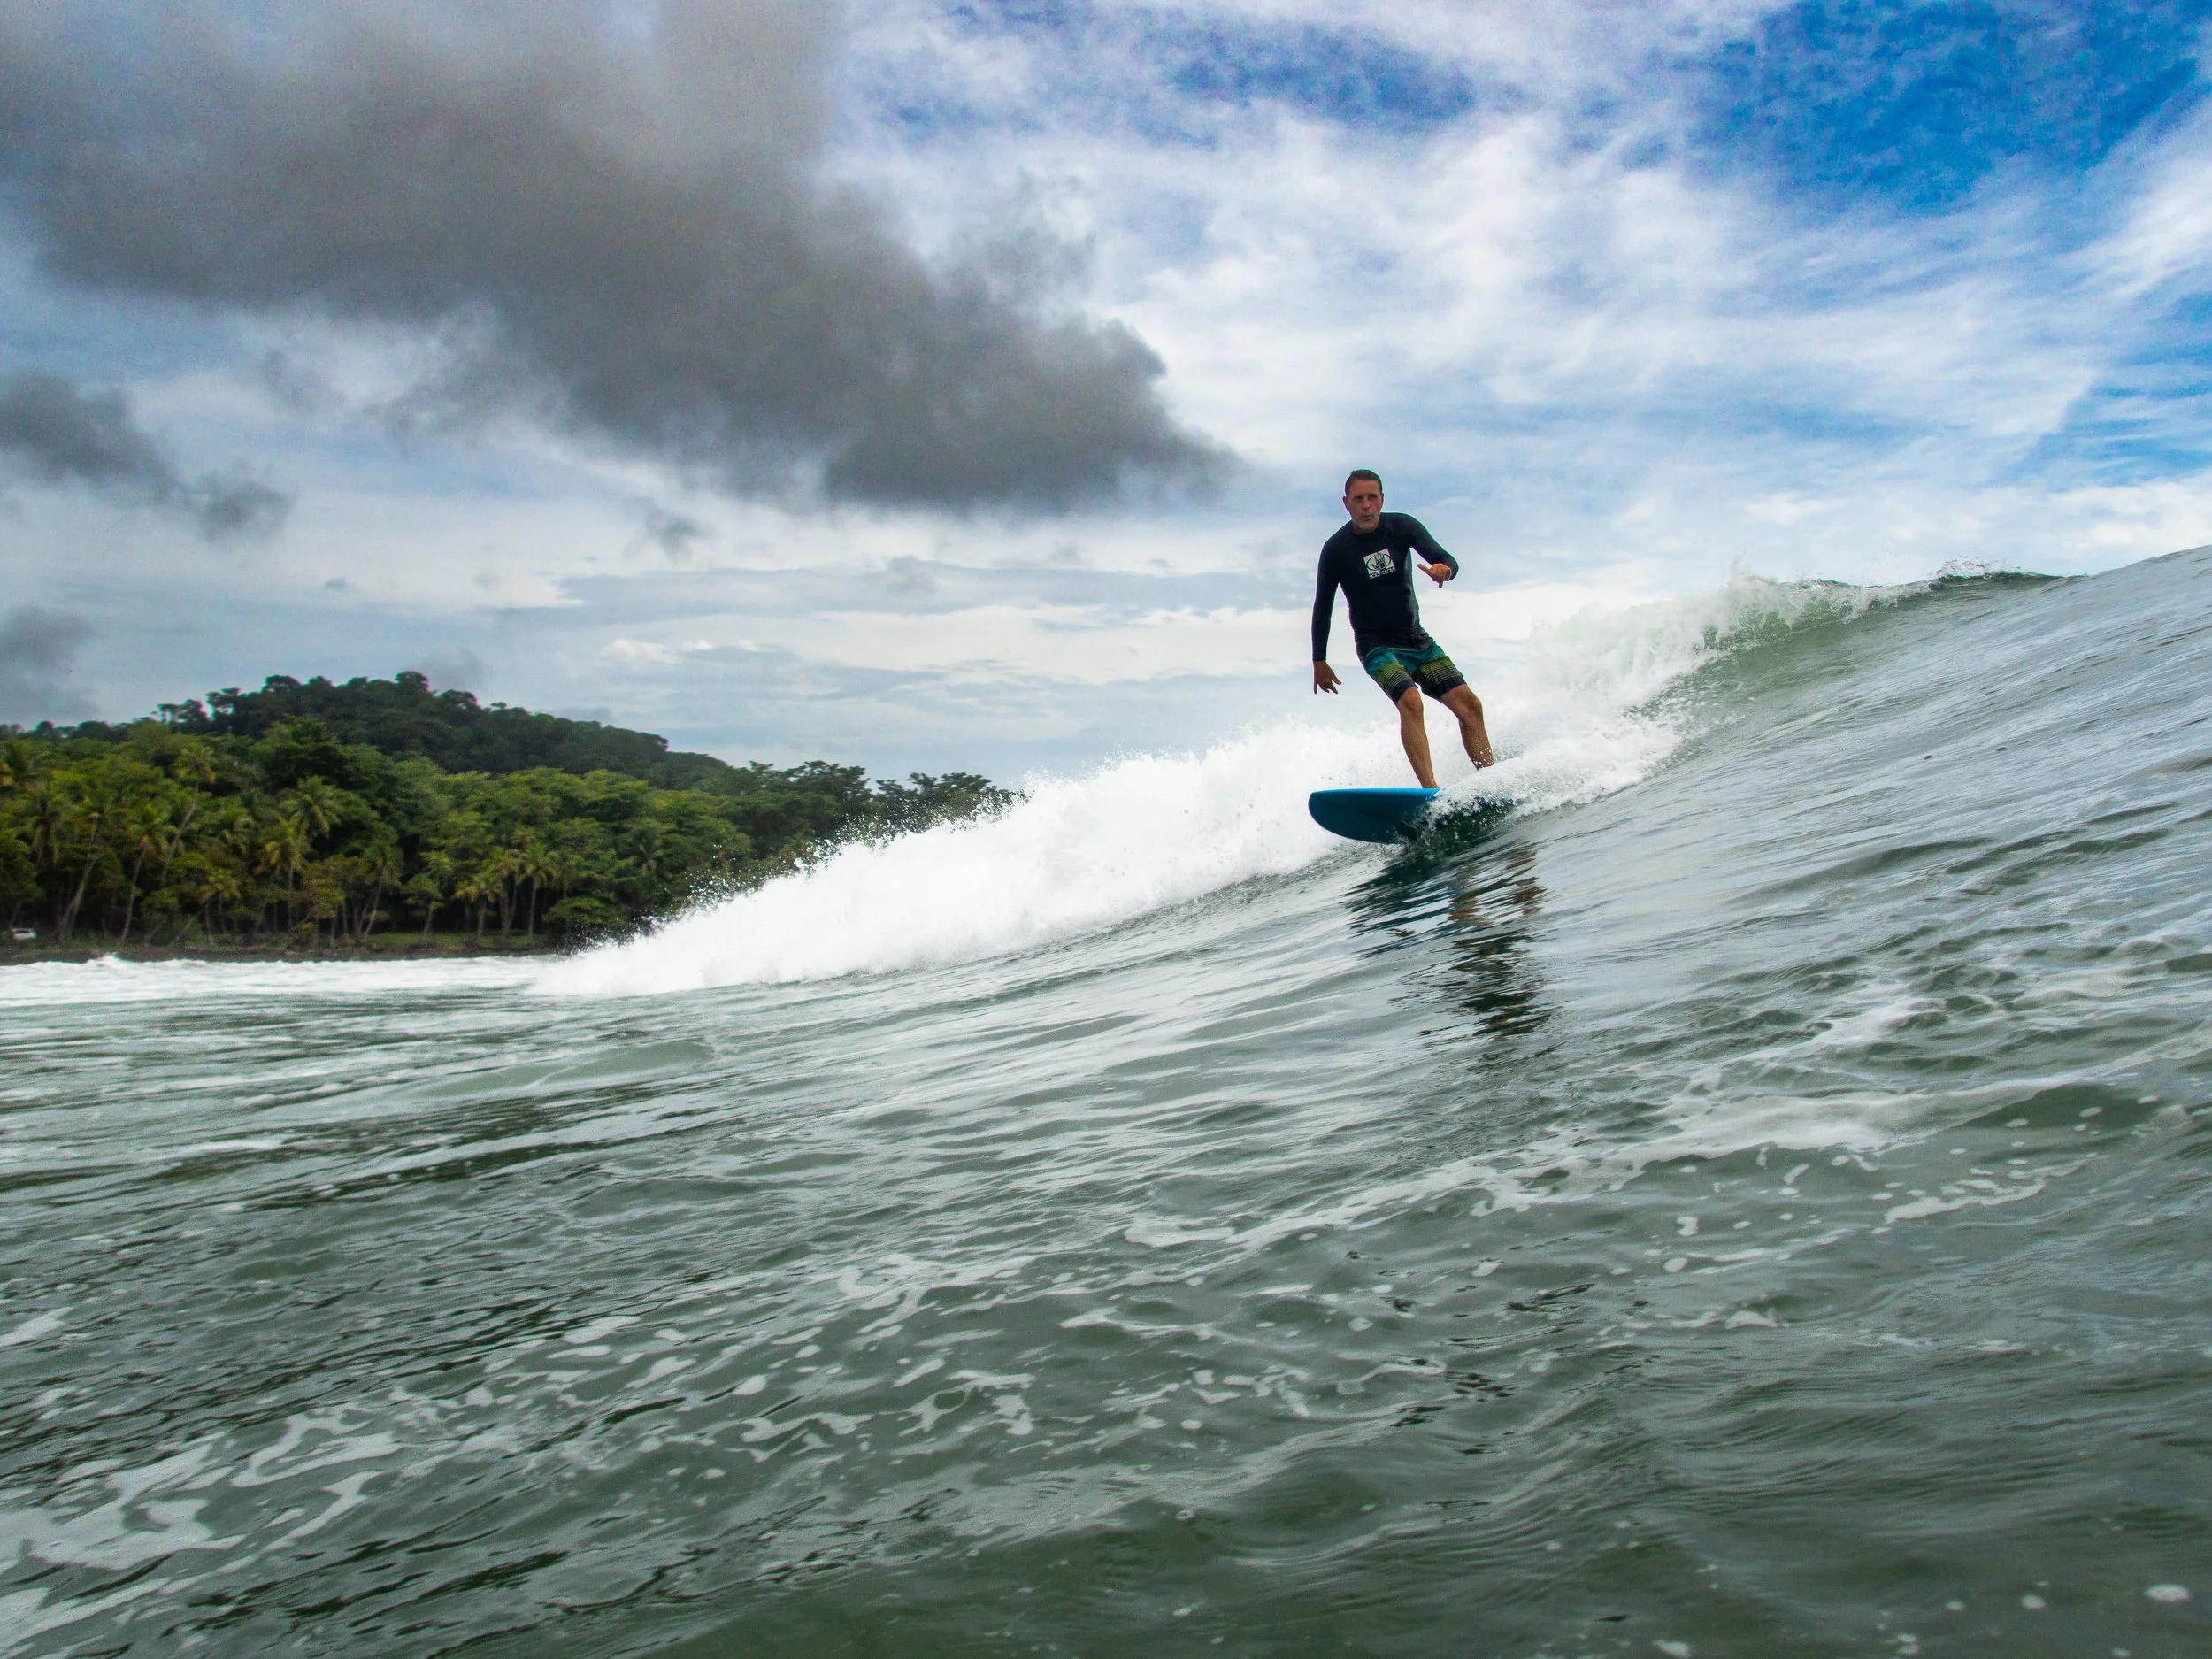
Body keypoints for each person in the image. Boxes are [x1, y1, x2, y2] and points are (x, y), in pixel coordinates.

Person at [1311, 469, 1494, 786]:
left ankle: (1492, 780)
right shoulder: (1335, 550)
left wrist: (1444, 570)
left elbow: (1446, 557)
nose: (1366, 505)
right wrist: (1319, 660)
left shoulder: (1402, 527)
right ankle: (1430, 792)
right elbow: (1322, 607)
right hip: (1377, 647)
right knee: (1411, 701)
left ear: (1382, 499)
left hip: (1418, 642)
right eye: (1358, 499)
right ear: (1346, 504)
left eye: (1372, 497)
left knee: (1470, 704)